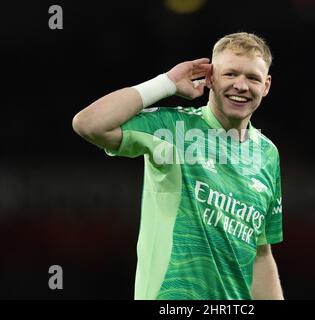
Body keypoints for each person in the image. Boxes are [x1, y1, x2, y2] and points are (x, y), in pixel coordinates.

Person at [72, 32, 284, 300]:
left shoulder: (268, 154)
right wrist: (166, 83)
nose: (241, 85)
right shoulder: (173, 128)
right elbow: (88, 124)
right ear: (210, 78)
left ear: (266, 86)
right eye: (230, 74)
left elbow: (260, 253)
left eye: (252, 77)